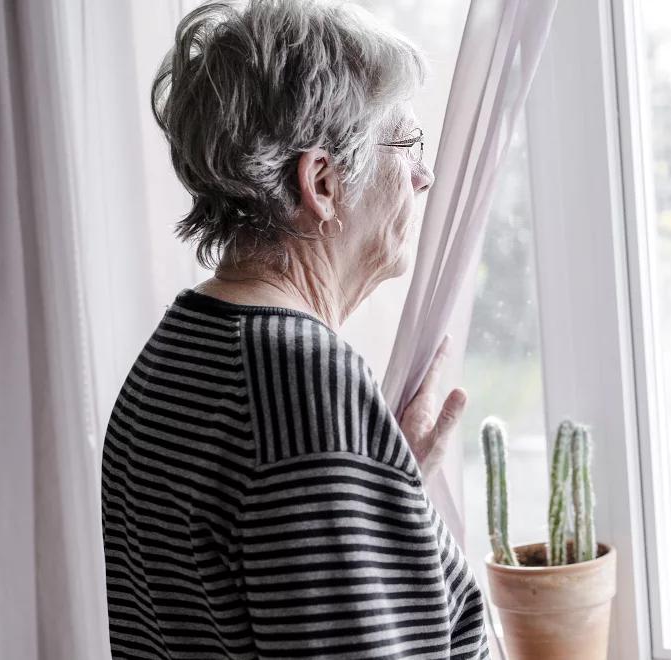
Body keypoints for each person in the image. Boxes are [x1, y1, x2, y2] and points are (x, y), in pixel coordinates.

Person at [100, 1, 488, 657]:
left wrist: (382, 492)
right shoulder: (302, 386)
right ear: (323, 182)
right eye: (407, 147)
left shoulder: (173, 355)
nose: (424, 178)